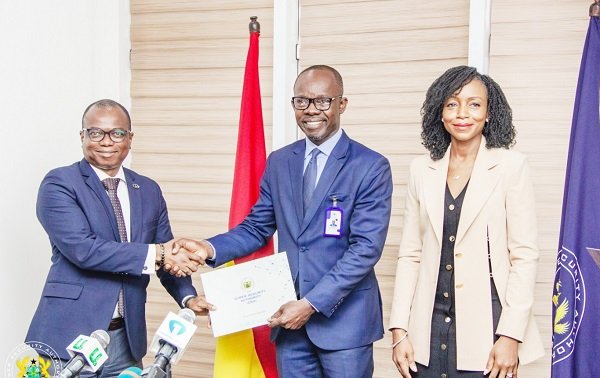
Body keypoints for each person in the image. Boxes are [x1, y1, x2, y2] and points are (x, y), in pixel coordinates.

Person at [172, 65, 393, 377]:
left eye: (322, 101)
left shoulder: (370, 166)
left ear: (341, 104)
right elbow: (257, 227)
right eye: (301, 101)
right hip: (289, 326)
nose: (311, 110)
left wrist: (310, 305)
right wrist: (207, 248)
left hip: (344, 326)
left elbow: (366, 249)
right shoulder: (279, 161)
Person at [26, 99, 212, 377]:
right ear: (82, 136)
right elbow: (84, 250)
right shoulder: (59, 183)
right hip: (68, 339)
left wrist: (188, 298)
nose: (106, 141)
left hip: (125, 341)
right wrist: (159, 253)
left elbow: (166, 250)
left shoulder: (148, 190)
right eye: (96, 132)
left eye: (117, 133)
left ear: (129, 138)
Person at [388, 66, 544, 378]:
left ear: (489, 113)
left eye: (474, 104)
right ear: (440, 112)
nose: (463, 113)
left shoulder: (511, 166)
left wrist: (511, 335)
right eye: (452, 104)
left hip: (487, 325)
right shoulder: (422, 169)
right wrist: (399, 329)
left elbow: (524, 256)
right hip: (427, 326)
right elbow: (410, 254)